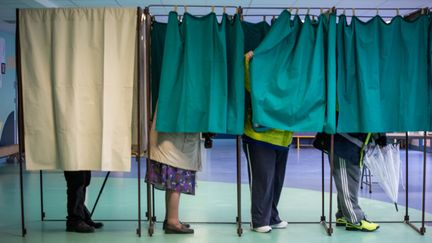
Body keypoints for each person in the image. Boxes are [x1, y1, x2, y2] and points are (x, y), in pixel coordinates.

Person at [243, 51, 293, 233]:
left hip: (283, 136)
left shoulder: (289, 73)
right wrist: (247, 62)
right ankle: (259, 220)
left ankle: (271, 216)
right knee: (262, 180)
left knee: (276, 181)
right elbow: (249, 85)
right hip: (259, 136)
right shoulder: (260, 72)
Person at [313, 132, 386, 232]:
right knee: (347, 181)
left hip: (348, 144)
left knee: (347, 181)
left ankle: (343, 214)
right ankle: (354, 219)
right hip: (344, 144)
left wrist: (379, 135)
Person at [146, 109, 202, 234]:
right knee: (176, 180)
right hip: (175, 142)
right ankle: (172, 221)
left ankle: (171, 217)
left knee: (173, 181)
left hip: (168, 137)